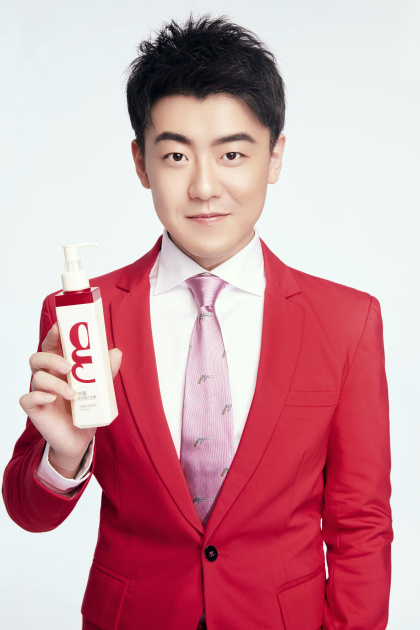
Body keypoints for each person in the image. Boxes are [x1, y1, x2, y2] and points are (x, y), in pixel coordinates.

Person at [2, 15, 392, 630]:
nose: (205, 187)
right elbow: (29, 512)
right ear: (141, 162)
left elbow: (360, 523)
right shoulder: (81, 314)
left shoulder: (347, 321)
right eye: (176, 155)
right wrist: (65, 453)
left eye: (232, 154)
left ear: (275, 156)